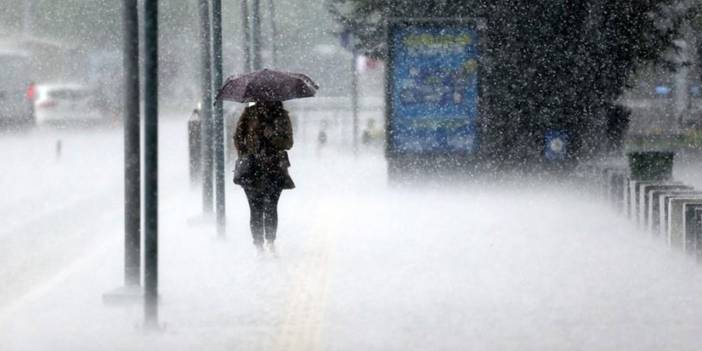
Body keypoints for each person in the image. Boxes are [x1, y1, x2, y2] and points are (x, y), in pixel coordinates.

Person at [234, 101, 294, 253]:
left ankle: (270, 241)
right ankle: (258, 244)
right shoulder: (249, 114)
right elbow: (238, 137)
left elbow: (288, 143)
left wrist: (272, 135)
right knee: (255, 208)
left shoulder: (282, 115)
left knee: (271, 206)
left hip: (274, 168)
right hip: (252, 169)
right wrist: (246, 154)